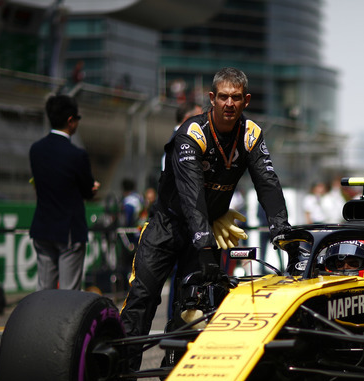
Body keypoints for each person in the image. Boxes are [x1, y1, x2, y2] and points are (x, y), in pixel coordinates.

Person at [120, 67, 291, 365]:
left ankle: (174, 375)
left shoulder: (251, 133)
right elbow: (191, 194)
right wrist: (206, 245)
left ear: (246, 100)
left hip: (202, 230)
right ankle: (117, 378)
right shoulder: (191, 133)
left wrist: (282, 230)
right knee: (141, 299)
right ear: (211, 98)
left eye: (236, 98)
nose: (229, 104)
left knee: (189, 311)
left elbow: (268, 183)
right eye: (223, 97)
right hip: (167, 225)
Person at [29, 94, 100, 291]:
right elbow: (87, 191)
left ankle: (41, 322)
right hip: (68, 229)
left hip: (42, 226)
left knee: (44, 290)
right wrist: (92, 188)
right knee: (69, 293)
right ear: (70, 121)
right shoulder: (77, 155)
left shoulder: (36, 150)